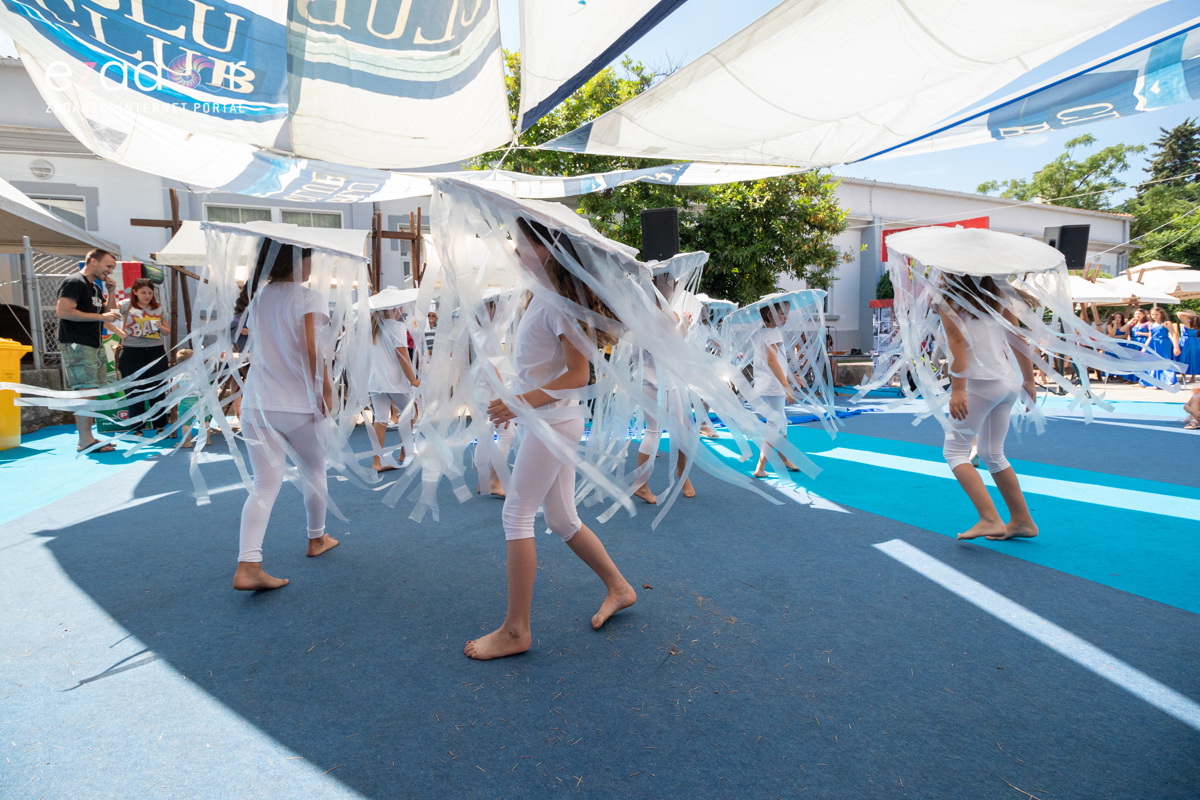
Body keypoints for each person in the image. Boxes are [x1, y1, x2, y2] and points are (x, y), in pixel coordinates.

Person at [465, 217, 636, 661]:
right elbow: (543, 369)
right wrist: (516, 398)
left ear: (546, 251)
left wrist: (520, 402)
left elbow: (579, 374)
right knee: (561, 519)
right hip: (549, 419)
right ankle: (619, 587)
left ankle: (516, 630)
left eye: (521, 243)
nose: (514, 250)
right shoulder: (542, 299)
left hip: (553, 421)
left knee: (517, 515)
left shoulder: (559, 303)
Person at [232, 240, 338, 592]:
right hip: (299, 403)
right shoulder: (308, 297)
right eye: (310, 258)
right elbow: (310, 347)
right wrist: (324, 389)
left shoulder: (258, 297)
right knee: (315, 471)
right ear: (296, 263)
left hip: (259, 403)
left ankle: (249, 563)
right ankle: (316, 538)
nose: (312, 266)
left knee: (263, 484)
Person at [937, 273, 1039, 542]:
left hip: (978, 385)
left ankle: (989, 518)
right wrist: (1028, 379)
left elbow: (957, 344)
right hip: (1006, 383)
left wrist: (958, 389)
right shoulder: (998, 298)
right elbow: (1018, 339)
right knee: (992, 453)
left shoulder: (949, 300)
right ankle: (1022, 521)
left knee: (955, 452)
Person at [55, 248, 121, 453]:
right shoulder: (75, 282)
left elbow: (108, 313)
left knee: (92, 390)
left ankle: (89, 437)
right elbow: (63, 311)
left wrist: (110, 292)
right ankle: (84, 440)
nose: (110, 271)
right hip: (76, 343)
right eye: (108, 266)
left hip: (93, 343)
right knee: (85, 390)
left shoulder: (95, 288)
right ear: (93, 261)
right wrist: (102, 318)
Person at [117, 278, 172, 436]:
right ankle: (136, 427)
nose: (147, 296)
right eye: (143, 292)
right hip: (132, 351)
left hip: (156, 351)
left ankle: (160, 424)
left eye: (149, 292)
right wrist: (119, 332)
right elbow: (107, 314)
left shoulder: (158, 308)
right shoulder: (126, 305)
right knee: (135, 389)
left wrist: (162, 327)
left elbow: (167, 331)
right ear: (135, 292)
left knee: (158, 387)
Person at [751, 301, 801, 478]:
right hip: (773, 387)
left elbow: (777, 361)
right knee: (774, 424)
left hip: (765, 385)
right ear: (770, 315)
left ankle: (784, 458)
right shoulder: (773, 333)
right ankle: (760, 467)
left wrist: (792, 378)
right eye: (782, 314)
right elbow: (772, 361)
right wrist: (787, 387)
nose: (786, 317)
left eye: (786, 313)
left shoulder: (761, 332)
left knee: (781, 423)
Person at [368, 306, 419, 472]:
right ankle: (405, 453)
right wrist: (412, 378)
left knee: (380, 419)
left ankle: (377, 461)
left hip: (376, 380)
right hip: (395, 380)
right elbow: (402, 354)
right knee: (408, 414)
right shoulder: (397, 326)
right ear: (396, 309)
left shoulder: (372, 327)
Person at [173, 348, 211, 449]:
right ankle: (207, 439)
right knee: (204, 420)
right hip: (201, 398)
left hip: (186, 400)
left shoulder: (178, 375)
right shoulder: (199, 373)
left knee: (186, 422)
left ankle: (187, 442)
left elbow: (175, 389)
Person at [1141, 306, 1180, 387]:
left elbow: (1174, 334)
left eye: (1156, 314)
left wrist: (1176, 346)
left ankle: (1168, 380)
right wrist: (1144, 348)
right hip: (1153, 344)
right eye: (1152, 314)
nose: (1154, 316)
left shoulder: (1166, 323)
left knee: (1165, 360)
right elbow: (1150, 337)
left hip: (1164, 343)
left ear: (1161, 314)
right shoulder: (1151, 325)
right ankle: (1155, 382)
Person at [1177, 310, 1200, 385]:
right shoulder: (1196, 323)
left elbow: (1178, 313)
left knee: (1184, 358)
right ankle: (1193, 376)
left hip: (1187, 342)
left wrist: (1189, 315)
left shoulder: (1188, 322)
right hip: (1195, 341)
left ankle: (1184, 376)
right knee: (1194, 358)